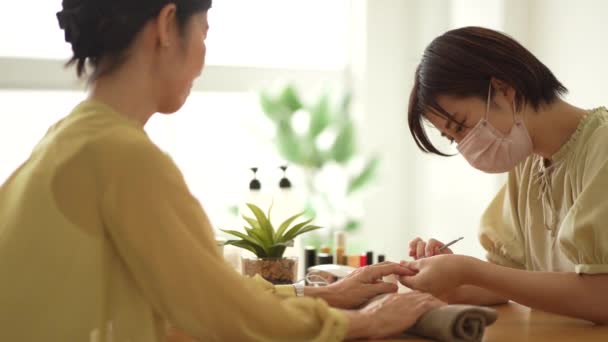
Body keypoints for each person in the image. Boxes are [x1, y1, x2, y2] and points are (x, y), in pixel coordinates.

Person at [0, 1, 444, 341]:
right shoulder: (120, 155)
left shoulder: (69, 140)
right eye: (204, 32)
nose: (203, 58)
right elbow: (217, 309)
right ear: (166, 24)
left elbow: (200, 284)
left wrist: (324, 294)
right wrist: (359, 324)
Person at [401, 26, 608, 324]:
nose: (465, 146)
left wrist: (469, 270)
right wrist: (445, 274)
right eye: (453, 139)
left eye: (461, 126)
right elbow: (507, 281)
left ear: (504, 89)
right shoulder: (528, 164)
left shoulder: (601, 146)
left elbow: (601, 296)